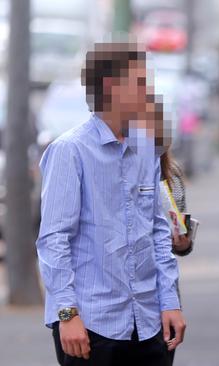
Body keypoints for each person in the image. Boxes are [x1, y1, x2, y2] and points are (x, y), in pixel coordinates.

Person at [36, 41, 186, 366]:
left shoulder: (146, 147)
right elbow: (53, 240)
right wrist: (67, 314)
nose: (149, 92)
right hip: (90, 324)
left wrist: (170, 302)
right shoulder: (69, 151)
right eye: (141, 83)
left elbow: (158, 231)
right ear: (111, 87)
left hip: (148, 323)